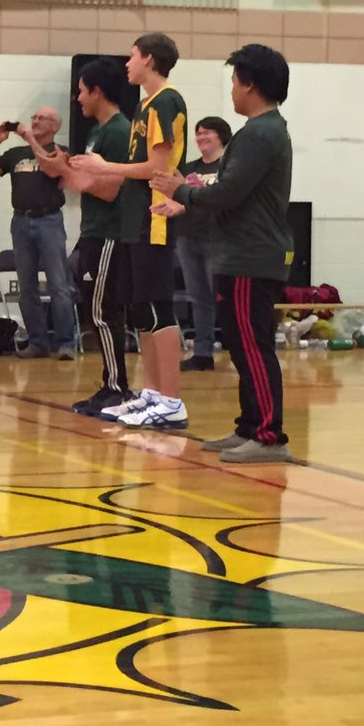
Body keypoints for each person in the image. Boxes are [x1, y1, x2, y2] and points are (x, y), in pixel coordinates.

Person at [151, 44, 293, 463]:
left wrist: (181, 190)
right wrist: (188, 198)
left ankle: (268, 436)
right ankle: (249, 426)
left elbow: (229, 193)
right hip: (240, 253)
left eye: (233, 81)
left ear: (249, 84)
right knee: (240, 343)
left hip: (252, 255)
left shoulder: (260, 133)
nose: (231, 90)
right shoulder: (260, 131)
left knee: (253, 345)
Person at [71, 32, 189, 429]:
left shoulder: (166, 100)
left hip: (154, 217)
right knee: (141, 311)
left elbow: (158, 168)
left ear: (149, 59)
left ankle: (171, 400)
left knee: (157, 308)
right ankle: (152, 393)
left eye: (133, 55)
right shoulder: (145, 105)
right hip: (134, 219)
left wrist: (105, 167)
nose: (127, 63)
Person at [63, 58, 135, 416]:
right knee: (97, 311)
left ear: (97, 91)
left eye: (81, 91)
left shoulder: (119, 132)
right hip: (93, 231)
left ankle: (117, 388)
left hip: (109, 233)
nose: (78, 98)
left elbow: (112, 189)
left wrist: (79, 179)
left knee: (104, 312)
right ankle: (110, 384)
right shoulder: (96, 132)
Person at [0, 107, 77, 360]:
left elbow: (53, 170)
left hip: (49, 220)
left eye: (41, 118)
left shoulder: (61, 151)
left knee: (58, 284)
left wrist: (31, 140)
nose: (34, 120)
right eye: (33, 117)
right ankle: (37, 342)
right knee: (27, 287)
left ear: (55, 126)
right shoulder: (16, 154)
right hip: (21, 221)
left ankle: (65, 343)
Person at [177, 116, 232, 372]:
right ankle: (202, 353)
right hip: (188, 236)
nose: (200, 138)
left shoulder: (228, 168)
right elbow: (180, 199)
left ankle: (238, 348)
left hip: (218, 239)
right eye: (198, 134)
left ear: (221, 136)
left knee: (224, 298)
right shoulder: (189, 169)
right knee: (198, 298)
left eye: (206, 133)